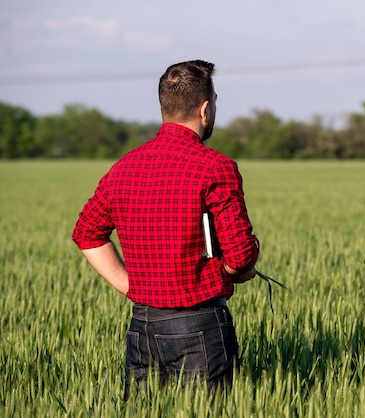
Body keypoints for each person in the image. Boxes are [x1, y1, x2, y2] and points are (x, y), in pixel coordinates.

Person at [72, 60, 259, 399]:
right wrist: (235, 270)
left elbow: (86, 233)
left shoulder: (123, 167)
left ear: (165, 107)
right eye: (215, 101)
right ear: (205, 108)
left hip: (142, 326)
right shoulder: (216, 167)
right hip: (199, 326)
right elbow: (241, 255)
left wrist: (130, 285)